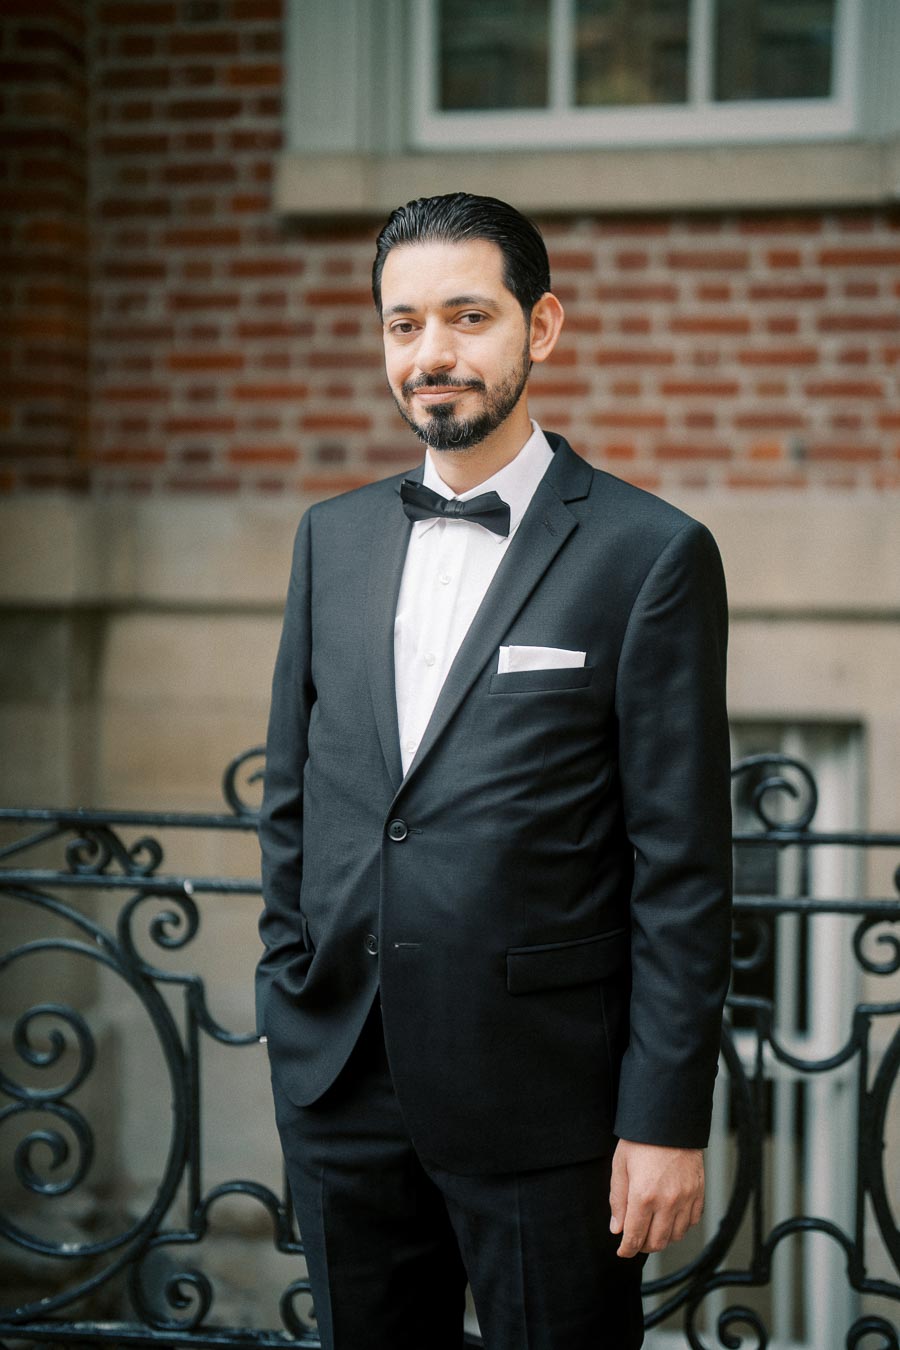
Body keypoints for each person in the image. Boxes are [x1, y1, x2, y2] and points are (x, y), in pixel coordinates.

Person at [257, 192, 732, 1350]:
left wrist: (665, 1117)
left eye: (468, 317)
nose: (432, 353)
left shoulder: (650, 554)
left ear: (541, 327)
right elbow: (292, 804)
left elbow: (681, 868)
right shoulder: (331, 539)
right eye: (403, 323)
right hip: (343, 1092)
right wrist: (288, 998)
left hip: (547, 1112)